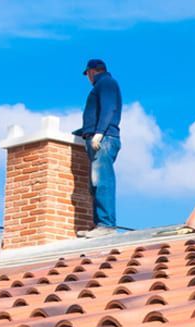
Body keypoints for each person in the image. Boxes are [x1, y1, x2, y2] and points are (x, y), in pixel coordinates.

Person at [73, 58, 121, 237]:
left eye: (87, 74)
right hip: (99, 137)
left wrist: (99, 133)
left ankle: (106, 225)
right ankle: (100, 224)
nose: (88, 78)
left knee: (102, 180)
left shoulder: (106, 83)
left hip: (104, 139)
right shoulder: (102, 85)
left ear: (92, 71)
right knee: (95, 183)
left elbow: (109, 109)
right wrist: (82, 132)